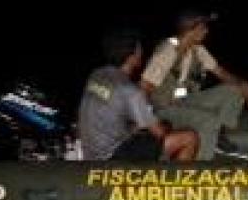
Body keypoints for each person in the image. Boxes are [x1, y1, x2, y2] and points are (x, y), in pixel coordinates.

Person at [140, 11, 248, 160]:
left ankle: (217, 139)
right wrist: (149, 123)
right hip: (164, 108)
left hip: (185, 102)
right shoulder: (167, 51)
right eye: (203, 27)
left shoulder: (198, 50)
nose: (207, 31)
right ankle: (201, 163)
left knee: (235, 91)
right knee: (208, 120)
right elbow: (144, 87)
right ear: (191, 30)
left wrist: (243, 84)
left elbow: (220, 72)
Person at [78, 29, 198, 161]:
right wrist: (166, 126)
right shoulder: (130, 91)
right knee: (189, 137)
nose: (141, 53)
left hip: (90, 154)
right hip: (112, 158)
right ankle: (175, 181)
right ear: (131, 57)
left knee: (141, 133)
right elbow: (161, 134)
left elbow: (113, 115)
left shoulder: (96, 75)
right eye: (139, 50)